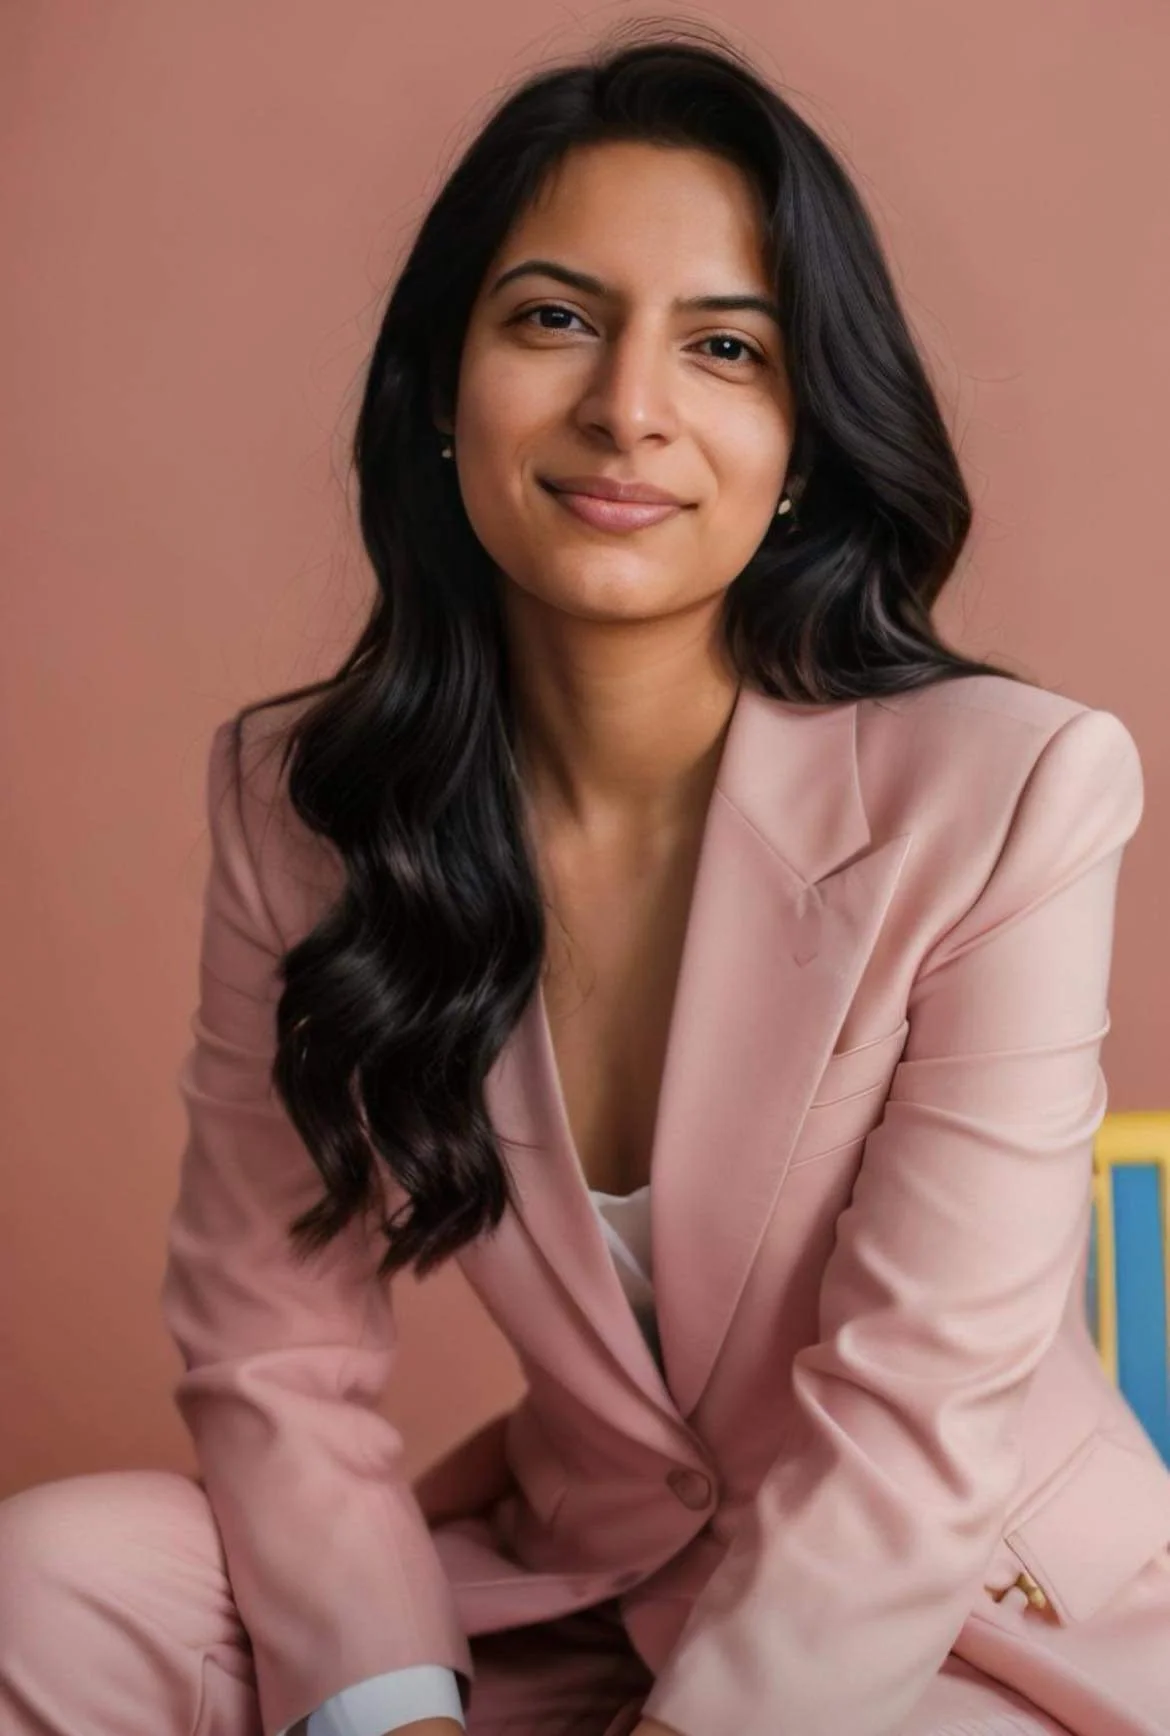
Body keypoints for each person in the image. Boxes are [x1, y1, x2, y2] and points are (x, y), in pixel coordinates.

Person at [2, 19, 1168, 1736]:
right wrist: (391, 1717)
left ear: (799, 442)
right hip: (572, 1584)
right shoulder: (307, 802)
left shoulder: (1008, 789)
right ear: (439, 389)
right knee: (61, 1579)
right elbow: (273, 1350)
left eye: (723, 348)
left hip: (945, 1624)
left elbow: (921, 1411)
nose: (627, 409)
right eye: (553, 319)